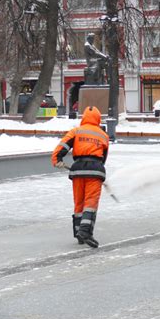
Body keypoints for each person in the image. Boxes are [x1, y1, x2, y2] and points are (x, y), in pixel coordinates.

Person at [51, 106, 109, 248]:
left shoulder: (76, 131)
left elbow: (62, 147)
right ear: (98, 119)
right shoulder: (103, 135)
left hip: (77, 170)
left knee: (79, 202)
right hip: (95, 171)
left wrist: (56, 160)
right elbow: (103, 158)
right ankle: (85, 232)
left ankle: (79, 234)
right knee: (90, 203)